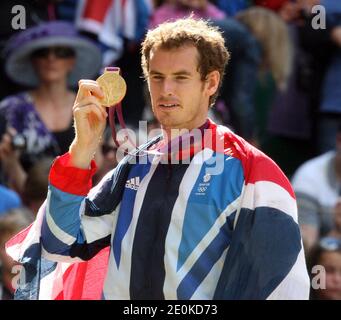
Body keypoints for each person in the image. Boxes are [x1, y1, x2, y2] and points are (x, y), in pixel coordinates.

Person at [7, 17, 309, 300]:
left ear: (211, 83)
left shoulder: (253, 172)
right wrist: (82, 148)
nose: (166, 90)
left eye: (181, 77)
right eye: (157, 77)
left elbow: (279, 286)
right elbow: (58, 242)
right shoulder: (134, 165)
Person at [0, 21, 101, 192]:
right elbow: (7, 170)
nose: (51, 58)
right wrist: (11, 163)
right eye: (42, 52)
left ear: (72, 61)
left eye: (61, 52)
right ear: (32, 60)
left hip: (80, 204)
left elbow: (98, 167)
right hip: (22, 209)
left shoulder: (89, 104)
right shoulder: (10, 109)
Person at [291, 123, 341, 254]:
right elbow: (305, 249)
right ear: (339, 141)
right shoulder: (308, 178)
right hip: (321, 269)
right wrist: (336, 232)